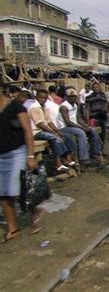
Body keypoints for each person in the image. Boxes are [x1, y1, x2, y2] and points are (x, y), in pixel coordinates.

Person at [0, 82, 41, 243]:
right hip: (0, 155)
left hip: (17, 152)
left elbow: (27, 131)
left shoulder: (15, 107)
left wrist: (30, 156)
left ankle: (34, 212)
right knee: (3, 195)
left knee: (16, 191)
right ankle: (13, 229)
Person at [28, 89, 76, 172]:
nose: (44, 100)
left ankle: (67, 157)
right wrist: (53, 132)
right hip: (35, 132)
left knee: (65, 136)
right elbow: (40, 124)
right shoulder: (34, 108)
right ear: (37, 97)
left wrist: (57, 131)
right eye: (42, 98)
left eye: (45, 98)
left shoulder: (44, 107)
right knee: (55, 138)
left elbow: (49, 122)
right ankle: (59, 162)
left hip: (43, 131)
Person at [57, 88, 102, 165]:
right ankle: (83, 158)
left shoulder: (74, 105)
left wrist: (85, 125)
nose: (73, 98)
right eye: (71, 96)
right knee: (81, 132)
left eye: (74, 96)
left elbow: (78, 117)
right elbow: (68, 122)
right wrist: (81, 127)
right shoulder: (64, 107)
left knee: (92, 130)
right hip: (64, 127)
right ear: (66, 97)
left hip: (73, 125)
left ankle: (95, 152)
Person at [85, 82, 109, 148]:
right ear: (92, 88)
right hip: (94, 118)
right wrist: (87, 121)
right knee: (95, 136)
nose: (96, 88)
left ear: (99, 87)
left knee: (103, 135)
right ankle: (95, 151)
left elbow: (106, 104)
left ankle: (101, 151)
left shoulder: (103, 96)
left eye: (97, 87)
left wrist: (105, 110)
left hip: (103, 118)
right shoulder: (89, 97)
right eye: (94, 87)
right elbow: (87, 109)